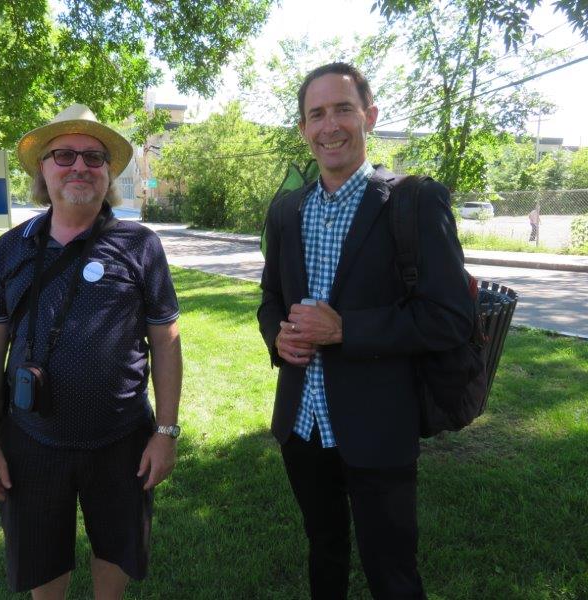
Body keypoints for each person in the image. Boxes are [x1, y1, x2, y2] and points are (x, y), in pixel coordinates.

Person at [258, 63, 473, 599]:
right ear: (304, 129)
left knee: (392, 571)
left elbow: (449, 317)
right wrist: (278, 339)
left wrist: (345, 329)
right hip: (302, 425)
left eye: (343, 109)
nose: (330, 125)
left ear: (369, 117)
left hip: (379, 426)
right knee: (324, 550)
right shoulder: (286, 210)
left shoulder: (415, 201)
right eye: (316, 114)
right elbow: (270, 300)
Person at [0, 104, 182, 599]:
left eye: (94, 156)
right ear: (42, 169)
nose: (79, 166)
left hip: (123, 439)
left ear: (108, 173)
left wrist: (166, 432)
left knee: (116, 550)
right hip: (30, 438)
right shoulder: (10, 248)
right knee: (42, 560)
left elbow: (166, 342)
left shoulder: (140, 245)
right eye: (64, 155)